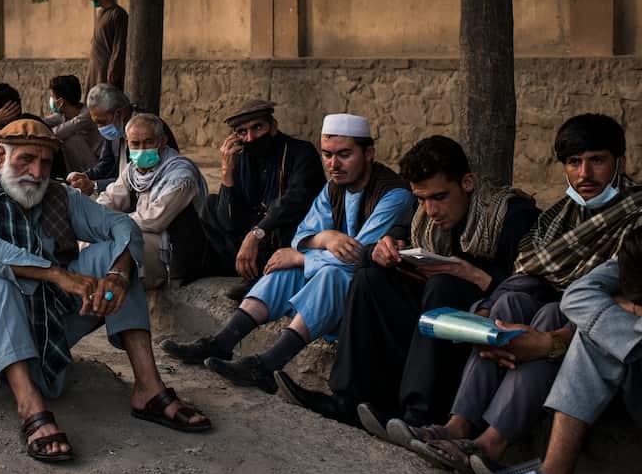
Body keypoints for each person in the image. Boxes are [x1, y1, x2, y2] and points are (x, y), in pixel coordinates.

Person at [0, 118, 211, 462]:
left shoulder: (58, 195)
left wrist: (117, 273)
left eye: (45, 161)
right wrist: (58, 275)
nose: (37, 172)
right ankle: (29, 406)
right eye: (26, 159)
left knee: (112, 254)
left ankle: (148, 388)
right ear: (0, 156)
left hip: (50, 323)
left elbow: (120, 224)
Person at [398, 114, 638, 474]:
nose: (584, 173)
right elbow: (528, 271)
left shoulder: (634, 215)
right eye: (574, 162)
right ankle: (458, 425)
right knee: (507, 304)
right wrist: (488, 317)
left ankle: (491, 443)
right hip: (549, 300)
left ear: (621, 163)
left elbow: (618, 291)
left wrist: (541, 339)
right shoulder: (561, 215)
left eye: (597, 160)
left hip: (593, 319)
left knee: (550, 316)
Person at [275, 135, 540, 433]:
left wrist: (472, 274)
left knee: (443, 286)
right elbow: (392, 239)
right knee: (369, 277)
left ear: (467, 183)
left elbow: (532, 290)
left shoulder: (511, 216)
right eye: (422, 199)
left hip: (481, 329)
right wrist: (382, 248)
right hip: (427, 326)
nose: (431, 210)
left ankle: (419, 415)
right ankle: (348, 399)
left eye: (439, 197)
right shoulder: (422, 217)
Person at [169, 114, 415, 392]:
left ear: (368, 153)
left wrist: (302, 255)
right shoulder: (334, 187)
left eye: (344, 155)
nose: (334, 164)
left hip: (370, 293)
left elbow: (358, 256)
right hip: (335, 273)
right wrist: (324, 237)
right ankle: (221, 342)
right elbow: (303, 235)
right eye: (328, 155)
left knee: (328, 273)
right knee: (285, 269)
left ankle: (268, 364)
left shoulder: (393, 195)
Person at [541, 229, 642, 474]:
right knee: (596, 334)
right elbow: (577, 296)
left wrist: (628, 311)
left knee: (604, 326)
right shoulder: (636, 244)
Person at [195, 99, 326, 300]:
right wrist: (227, 174)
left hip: (283, 237)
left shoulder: (300, 152)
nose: (250, 137)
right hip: (250, 241)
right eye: (242, 132)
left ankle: (260, 275)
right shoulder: (241, 158)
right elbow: (228, 221)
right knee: (210, 204)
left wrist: (256, 233)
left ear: (273, 127)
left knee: (288, 222)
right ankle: (244, 269)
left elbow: (293, 201)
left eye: (257, 127)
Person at [75, 113, 208, 287]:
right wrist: (95, 218)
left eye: (148, 142)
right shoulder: (133, 170)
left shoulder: (181, 175)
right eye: (135, 144)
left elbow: (154, 220)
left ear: (162, 141)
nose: (142, 149)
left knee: (116, 246)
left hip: (173, 249)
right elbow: (112, 197)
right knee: (87, 238)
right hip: (144, 234)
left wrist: (111, 222)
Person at [43, 74, 102, 174]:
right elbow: (44, 122)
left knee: (71, 139)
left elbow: (58, 133)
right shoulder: (63, 114)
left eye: (52, 96)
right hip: (83, 162)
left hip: (97, 165)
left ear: (61, 102)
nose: (51, 100)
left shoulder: (87, 115)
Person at [85, 0, 128, 92]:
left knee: (106, 104)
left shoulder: (118, 14)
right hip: (95, 68)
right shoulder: (100, 13)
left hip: (106, 71)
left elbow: (119, 45)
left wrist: (113, 69)